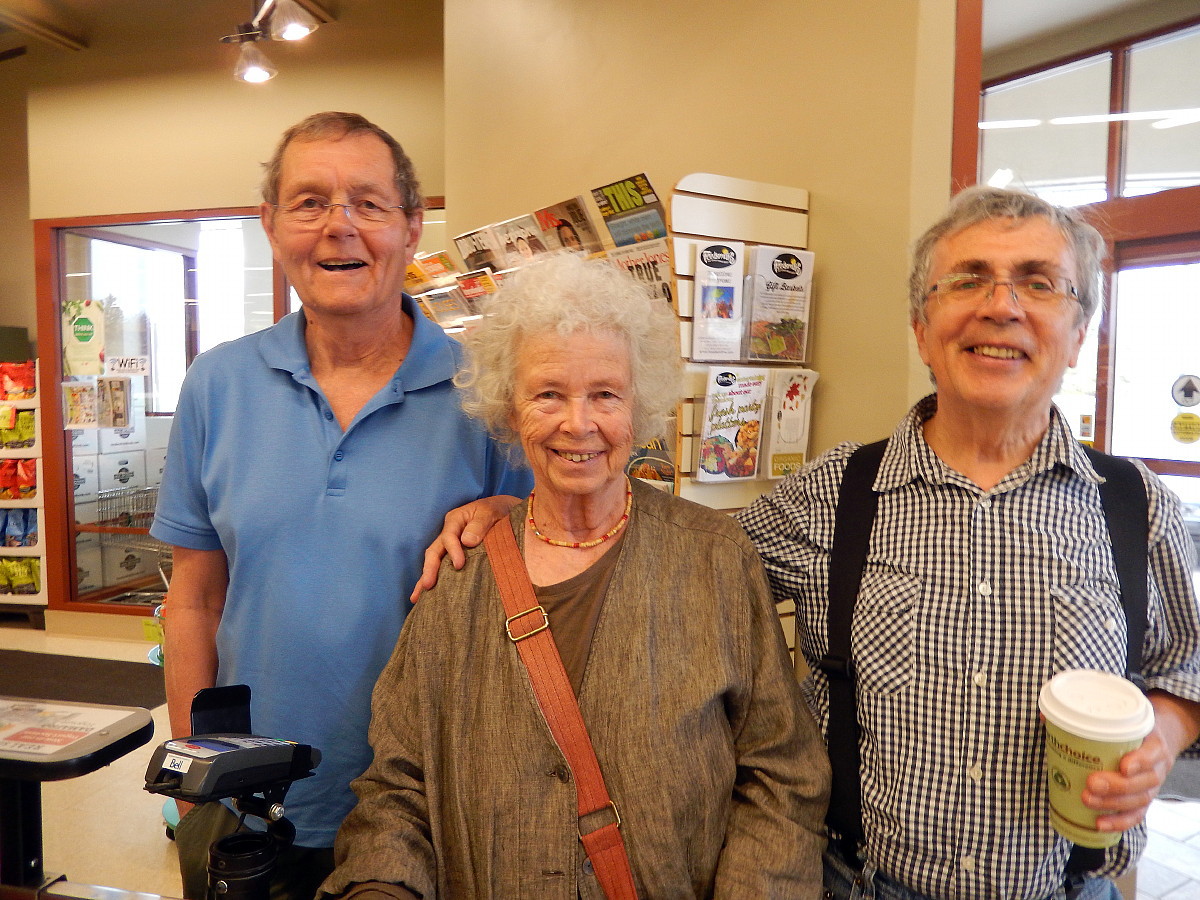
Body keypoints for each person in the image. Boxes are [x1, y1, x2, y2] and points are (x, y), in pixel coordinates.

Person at [416, 186, 1200, 900]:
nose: (1001, 306)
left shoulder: (1136, 509)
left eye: (1038, 282)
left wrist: (1159, 742)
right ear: (922, 329)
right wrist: (518, 512)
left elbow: (1183, 670)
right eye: (967, 280)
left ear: (1080, 330)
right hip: (859, 886)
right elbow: (668, 554)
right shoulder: (836, 496)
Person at [320, 252, 831, 899]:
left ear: (638, 405)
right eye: (549, 395)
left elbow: (782, 775)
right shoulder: (459, 579)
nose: (578, 423)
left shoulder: (714, 557)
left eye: (604, 395)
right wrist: (381, 887)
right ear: (510, 407)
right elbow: (397, 785)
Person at [150, 111, 531, 900]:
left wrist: (513, 517)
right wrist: (197, 773)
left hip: (424, 805)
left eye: (367, 202)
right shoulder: (216, 384)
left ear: (411, 225)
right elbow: (193, 598)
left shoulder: (490, 394)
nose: (339, 228)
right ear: (271, 224)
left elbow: (551, 585)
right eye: (310, 202)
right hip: (243, 806)